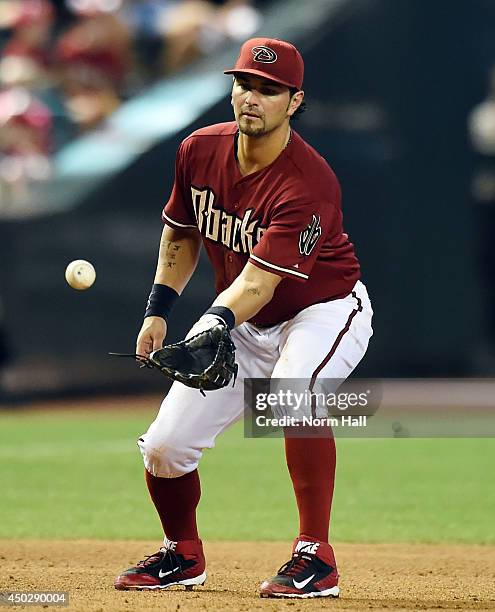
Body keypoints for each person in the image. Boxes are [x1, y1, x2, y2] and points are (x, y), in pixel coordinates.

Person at [114, 37, 373, 599]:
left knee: (292, 393)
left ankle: (316, 557)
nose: (252, 97)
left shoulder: (307, 181)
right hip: (242, 320)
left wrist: (209, 324)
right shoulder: (198, 150)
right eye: (244, 84)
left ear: (294, 101)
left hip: (322, 309)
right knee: (164, 447)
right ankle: (183, 555)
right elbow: (180, 232)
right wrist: (158, 311)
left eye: (269, 89)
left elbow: (260, 282)